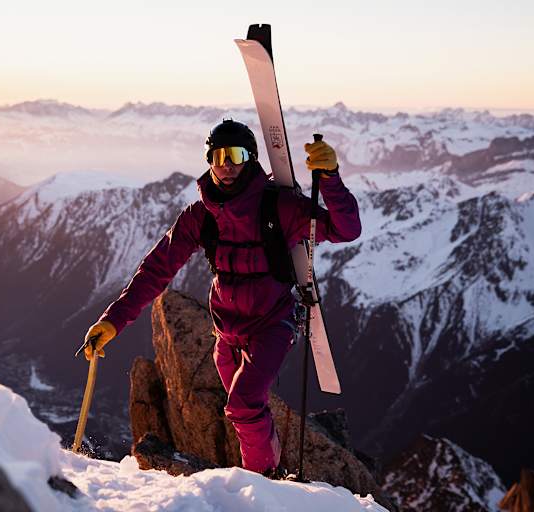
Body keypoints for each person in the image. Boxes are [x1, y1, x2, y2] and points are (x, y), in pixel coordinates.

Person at [82, 118, 361, 476]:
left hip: (273, 324)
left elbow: (346, 229)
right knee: (244, 409)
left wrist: (331, 177)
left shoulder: (282, 208)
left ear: (252, 158)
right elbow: (156, 270)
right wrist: (112, 321)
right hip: (225, 333)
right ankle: (272, 471)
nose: (226, 165)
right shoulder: (201, 217)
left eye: (236, 155)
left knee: (244, 405)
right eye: (217, 156)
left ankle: (261, 484)